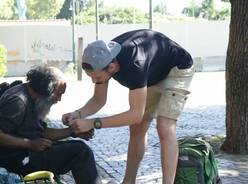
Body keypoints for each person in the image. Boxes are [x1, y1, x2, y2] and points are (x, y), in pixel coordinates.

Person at [62, 29, 194, 184]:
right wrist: (78, 114)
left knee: (165, 126)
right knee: (137, 128)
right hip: (152, 73)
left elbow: (135, 114)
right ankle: (128, 181)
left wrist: (92, 123)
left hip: (176, 69)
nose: (94, 81)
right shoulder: (103, 58)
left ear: (111, 67)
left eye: (96, 77)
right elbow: (99, 100)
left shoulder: (135, 63)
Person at [0, 66, 98, 184]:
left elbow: (41, 131)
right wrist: (29, 143)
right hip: (15, 160)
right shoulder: (18, 101)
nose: (59, 99)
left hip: (27, 152)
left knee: (77, 147)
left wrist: (72, 131)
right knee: (81, 151)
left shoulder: (33, 98)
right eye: (58, 94)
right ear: (47, 90)